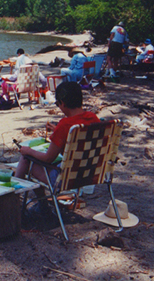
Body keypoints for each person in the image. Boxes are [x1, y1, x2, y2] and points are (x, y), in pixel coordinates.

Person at [14, 81, 100, 215]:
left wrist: (28, 151)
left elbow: (48, 158)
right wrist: (58, 132)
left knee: (26, 159)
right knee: (34, 158)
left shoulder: (65, 125)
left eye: (58, 104)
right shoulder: (93, 118)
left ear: (63, 103)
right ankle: (35, 205)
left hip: (66, 178)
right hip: (89, 173)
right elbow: (81, 142)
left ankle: (16, 203)